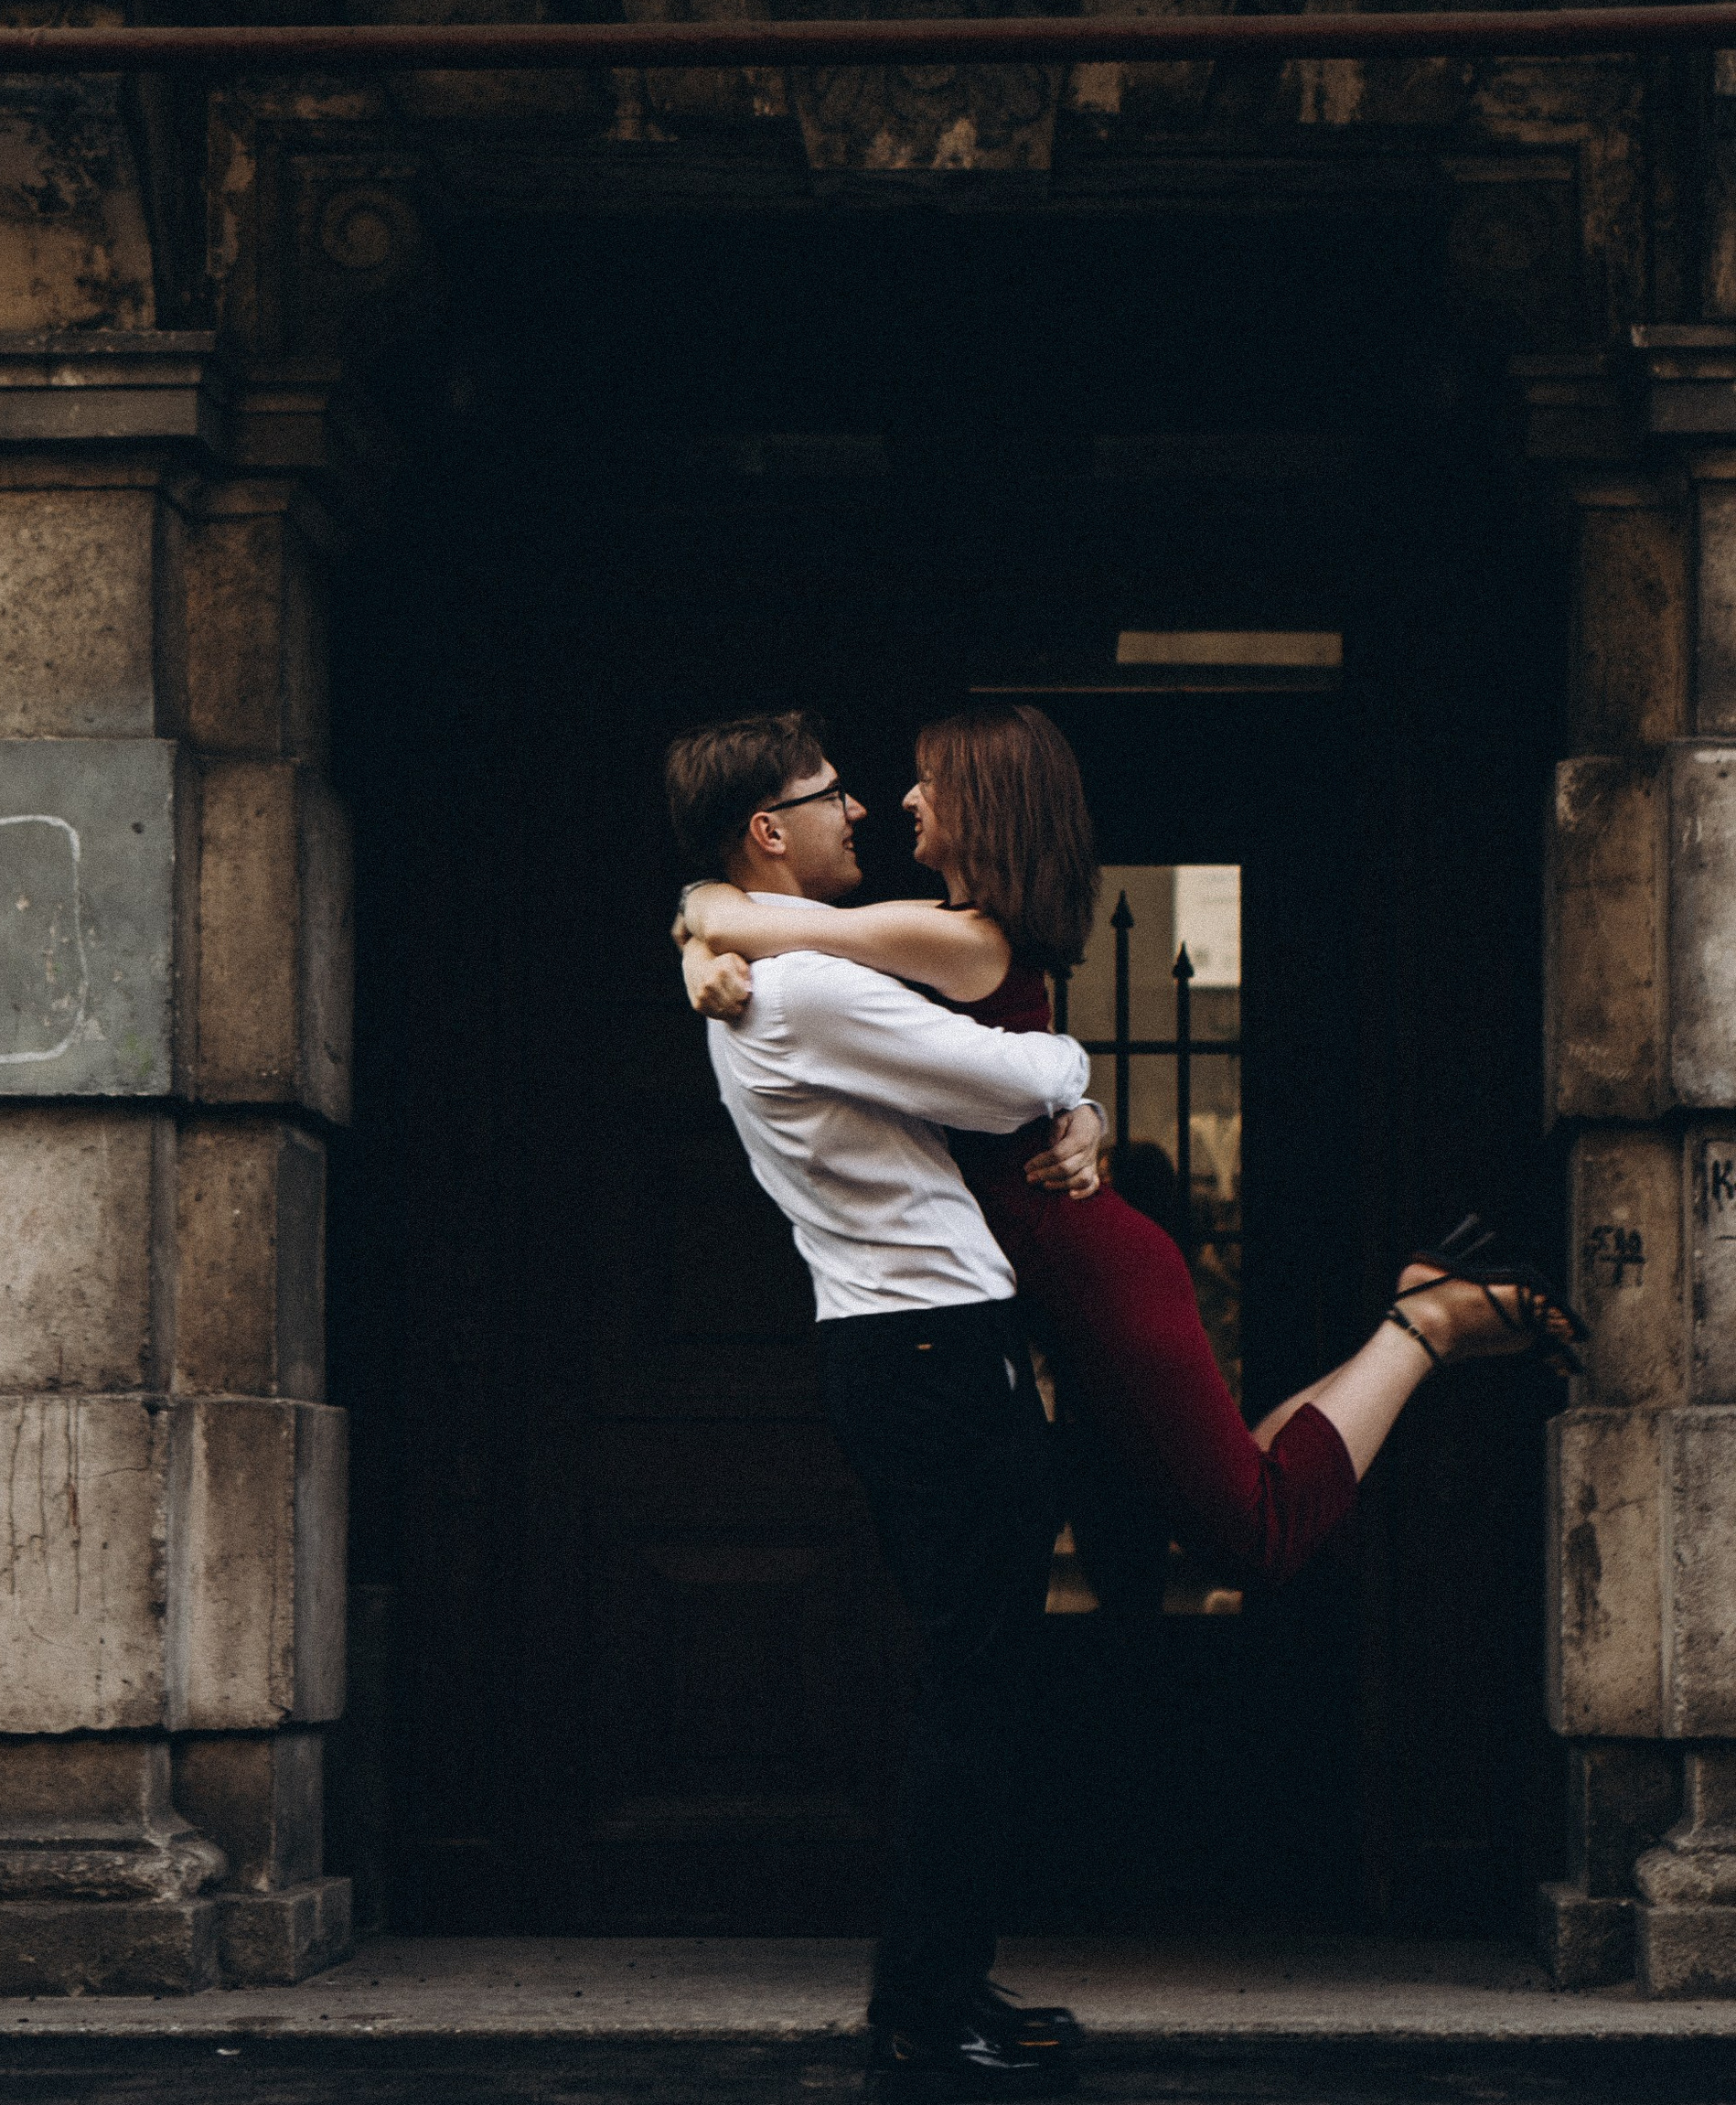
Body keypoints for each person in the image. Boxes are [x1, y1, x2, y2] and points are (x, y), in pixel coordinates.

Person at [677, 695, 1583, 1606]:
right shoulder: (936, 933)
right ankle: (1421, 1310)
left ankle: (1422, 1323)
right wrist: (703, 931)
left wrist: (702, 925)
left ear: (982, 805)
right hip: (1064, 1255)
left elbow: (786, 932)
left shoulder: (953, 935)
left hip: (1084, 1264)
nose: (899, 799)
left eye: (931, 782)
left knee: (1256, 1539)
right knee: (1236, 1485)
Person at [662, 706, 1104, 2091]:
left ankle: (943, 1983)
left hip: (903, 1352)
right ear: (766, 833)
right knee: (977, 1689)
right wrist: (1075, 1084)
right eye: (831, 794)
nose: (862, 810)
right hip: (936, 1354)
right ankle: (928, 2009)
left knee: (971, 1682)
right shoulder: (804, 990)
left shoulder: (763, 970)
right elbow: (1012, 1080)